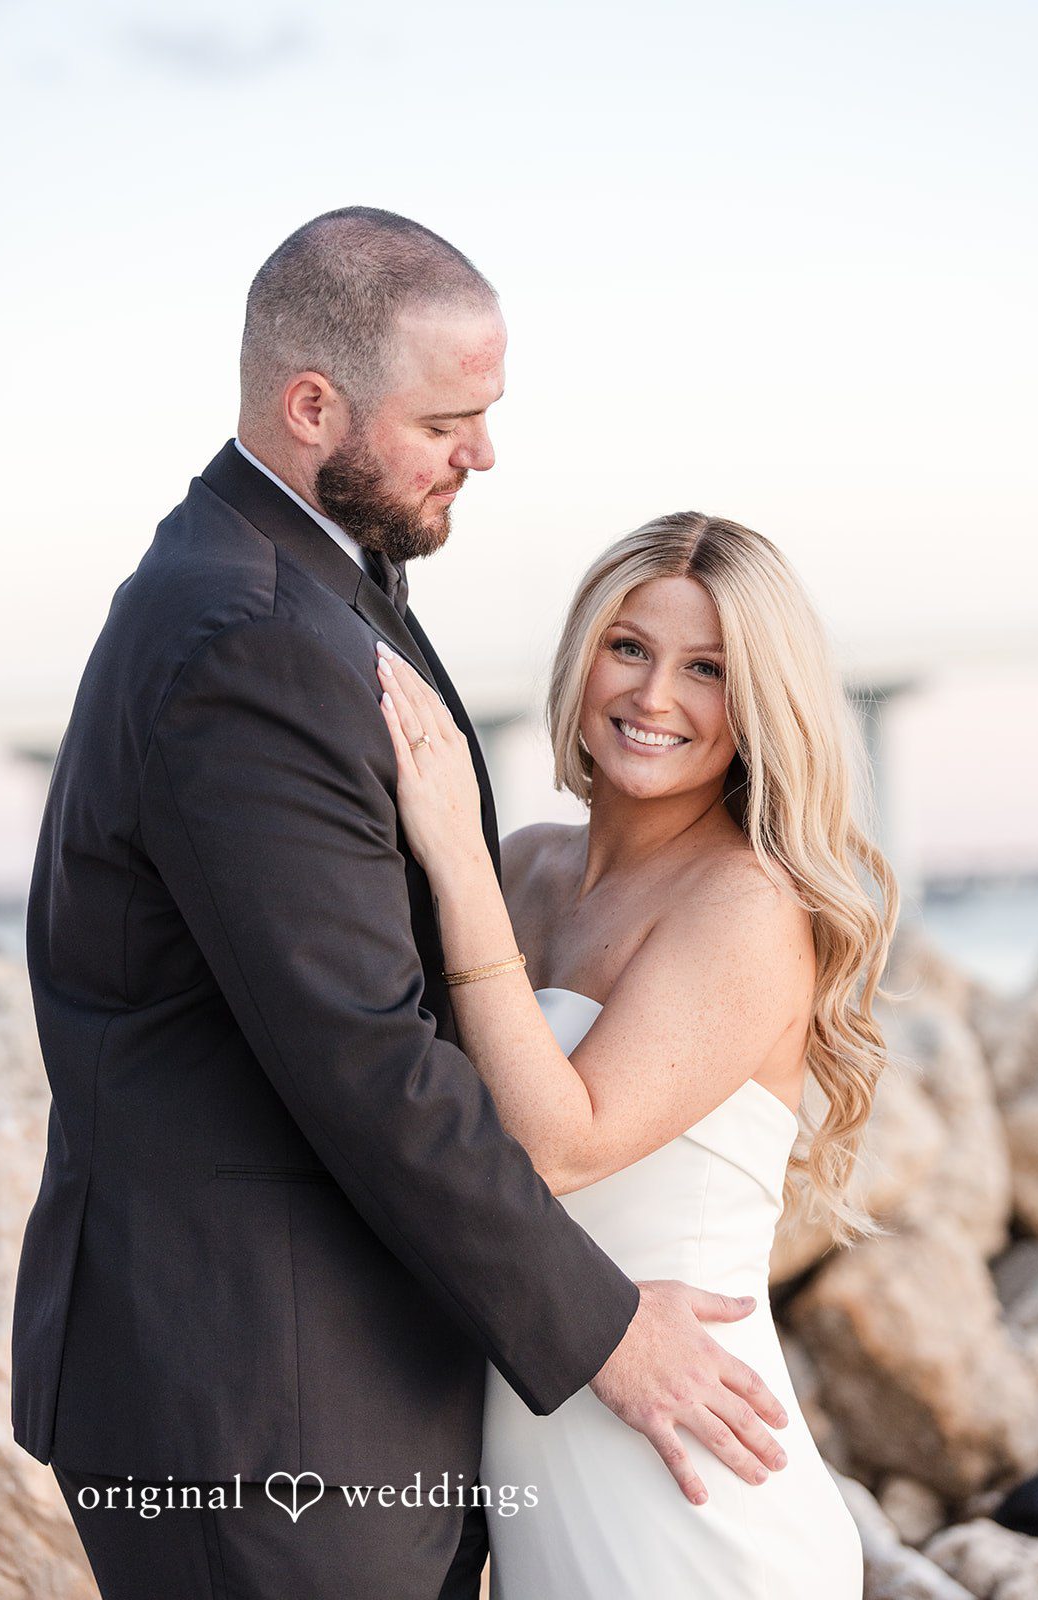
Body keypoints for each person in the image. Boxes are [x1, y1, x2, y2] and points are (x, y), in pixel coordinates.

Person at [10, 211, 789, 1600]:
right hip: (260, 1407)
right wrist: (606, 1334)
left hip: (345, 1395)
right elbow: (366, 1055)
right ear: (314, 407)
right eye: (448, 419)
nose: (480, 453)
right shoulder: (251, 635)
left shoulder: (301, 592)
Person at [377, 509, 899, 1597]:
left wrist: (453, 862)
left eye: (706, 668)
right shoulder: (522, 867)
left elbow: (553, 1149)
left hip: (695, 1482)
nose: (653, 697)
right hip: (543, 1455)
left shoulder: (747, 904)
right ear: (583, 656)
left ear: (757, 706)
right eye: (629, 646)